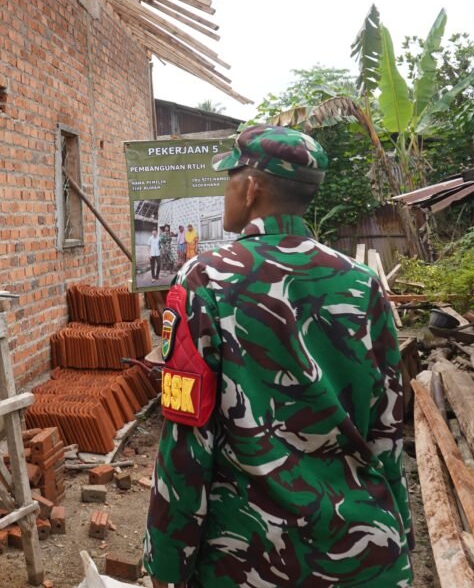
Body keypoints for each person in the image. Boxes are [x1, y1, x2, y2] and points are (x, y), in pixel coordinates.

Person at [144, 125, 412, 587]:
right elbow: (387, 426)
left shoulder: (204, 281)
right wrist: (399, 532)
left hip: (247, 557)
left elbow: (188, 440)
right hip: (361, 551)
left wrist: (165, 562)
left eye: (229, 177)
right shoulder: (361, 283)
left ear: (250, 188)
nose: (224, 188)